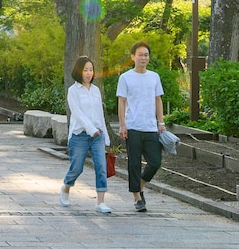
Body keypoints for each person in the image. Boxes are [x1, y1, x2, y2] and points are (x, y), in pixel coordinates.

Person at [116, 41, 165, 213]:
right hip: (133, 127)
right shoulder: (125, 77)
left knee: (155, 162)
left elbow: (158, 100)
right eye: (140, 54)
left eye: (146, 55)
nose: (143, 58)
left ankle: (141, 184)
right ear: (133, 57)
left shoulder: (154, 77)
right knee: (134, 163)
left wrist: (161, 123)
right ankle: (137, 197)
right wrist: (123, 125)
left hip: (151, 127)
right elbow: (121, 102)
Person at [59, 56, 112, 214]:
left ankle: (100, 202)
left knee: (101, 167)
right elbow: (78, 114)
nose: (89, 73)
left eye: (91, 70)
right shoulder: (73, 91)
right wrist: (90, 129)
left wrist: (105, 135)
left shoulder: (95, 90)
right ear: (78, 71)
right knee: (77, 168)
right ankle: (66, 186)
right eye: (85, 70)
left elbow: (100, 114)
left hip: (97, 135)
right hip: (79, 135)